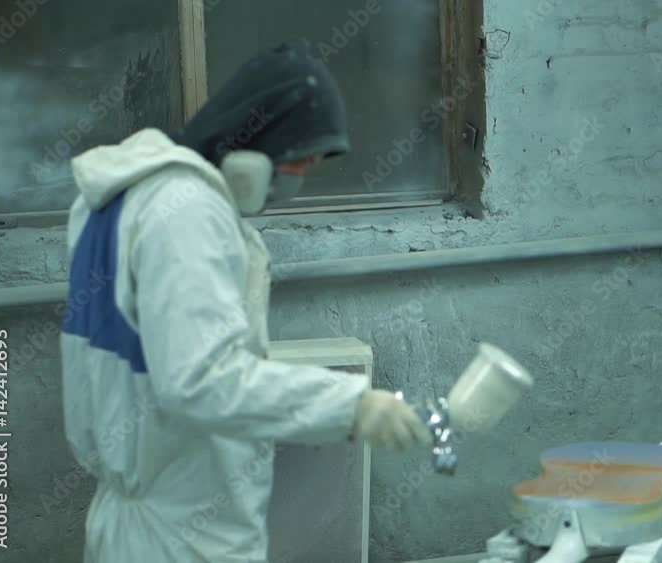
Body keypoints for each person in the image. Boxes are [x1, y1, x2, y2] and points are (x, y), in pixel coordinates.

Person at [59, 40, 431, 563]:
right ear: (254, 145)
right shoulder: (184, 211)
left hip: (142, 514)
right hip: (181, 533)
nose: (295, 183)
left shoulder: (117, 198)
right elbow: (201, 378)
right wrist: (353, 405)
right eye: (296, 163)